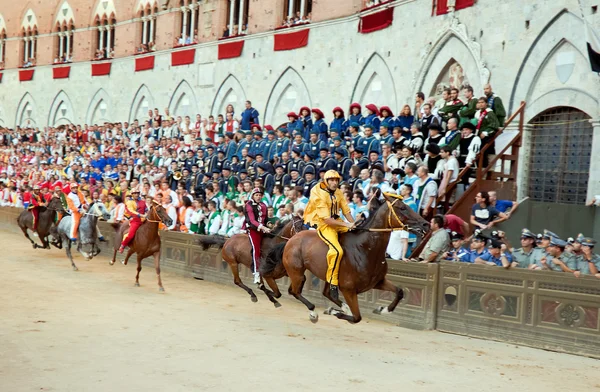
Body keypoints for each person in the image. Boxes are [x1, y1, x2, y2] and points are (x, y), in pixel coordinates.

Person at [303, 170, 355, 302]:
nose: (334, 183)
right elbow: (326, 219)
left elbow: (346, 210)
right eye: (331, 180)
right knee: (337, 251)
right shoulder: (319, 193)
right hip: (325, 225)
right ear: (326, 181)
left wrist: (353, 223)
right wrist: (347, 225)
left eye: (336, 180)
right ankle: (332, 283)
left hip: (338, 222)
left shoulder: (338, 192)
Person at [244, 187, 270, 284]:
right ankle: (256, 273)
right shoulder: (248, 205)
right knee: (256, 250)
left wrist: (269, 225)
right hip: (253, 230)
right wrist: (263, 227)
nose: (258, 197)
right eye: (256, 195)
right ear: (253, 196)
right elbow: (252, 220)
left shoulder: (264, 205)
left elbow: (266, 219)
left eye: (260, 195)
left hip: (263, 229)